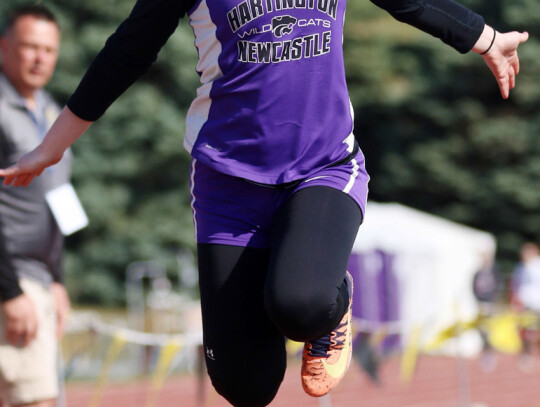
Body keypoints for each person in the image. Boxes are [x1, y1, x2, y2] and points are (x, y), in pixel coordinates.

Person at [0, 0, 528, 405]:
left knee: (300, 303)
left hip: (323, 168)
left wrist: (486, 39)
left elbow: (408, 1)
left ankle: (331, 303)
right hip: (228, 180)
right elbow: (129, 48)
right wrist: (55, 142)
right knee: (244, 385)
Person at [0, 5, 71, 407]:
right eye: (29, 46)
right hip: (13, 284)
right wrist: (10, 291)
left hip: (40, 284)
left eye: (48, 49)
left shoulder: (51, 112)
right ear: (4, 46)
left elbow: (59, 199)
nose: (40, 57)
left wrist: (57, 279)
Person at [511, 242, 540, 370]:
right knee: (524, 332)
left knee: (536, 332)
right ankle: (526, 355)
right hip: (524, 304)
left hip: (536, 304)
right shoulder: (520, 267)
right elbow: (516, 285)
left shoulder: (537, 266)